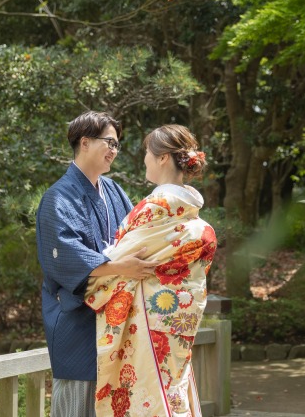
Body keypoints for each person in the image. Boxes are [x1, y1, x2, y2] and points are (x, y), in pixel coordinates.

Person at [85, 124, 217, 417]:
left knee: (146, 392)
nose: (144, 157)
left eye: (147, 151)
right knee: (172, 388)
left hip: (147, 319)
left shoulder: (155, 206)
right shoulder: (191, 212)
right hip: (176, 317)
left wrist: (90, 278)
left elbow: (116, 258)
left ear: (162, 158)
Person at [36, 111, 158, 417]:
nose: (114, 151)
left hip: (115, 315)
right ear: (85, 142)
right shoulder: (57, 197)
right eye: (109, 142)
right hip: (78, 317)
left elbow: (137, 233)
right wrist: (120, 266)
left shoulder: (114, 191)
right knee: (78, 398)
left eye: (117, 145)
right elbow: (65, 254)